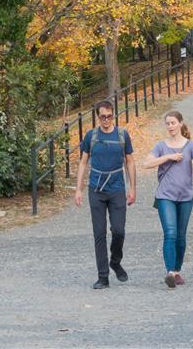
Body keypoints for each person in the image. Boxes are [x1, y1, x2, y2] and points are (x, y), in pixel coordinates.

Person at [74, 100, 137, 289]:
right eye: (103, 117)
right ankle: (103, 277)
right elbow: (83, 162)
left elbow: (130, 162)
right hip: (96, 189)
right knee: (99, 233)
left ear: (113, 115)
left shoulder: (122, 135)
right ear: (98, 117)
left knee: (119, 231)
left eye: (109, 116)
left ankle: (115, 261)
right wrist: (78, 189)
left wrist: (133, 188)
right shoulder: (91, 136)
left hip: (117, 188)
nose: (107, 120)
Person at [142, 110, 193, 288]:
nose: (170, 126)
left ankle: (177, 270)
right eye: (167, 123)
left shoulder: (191, 145)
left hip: (185, 197)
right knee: (170, 232)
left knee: (181, 236)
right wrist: (168, 157)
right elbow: (146, 163)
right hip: (165, 196)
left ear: (180, 123)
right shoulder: (161, 146)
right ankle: (170, 272)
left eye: (173, 123)